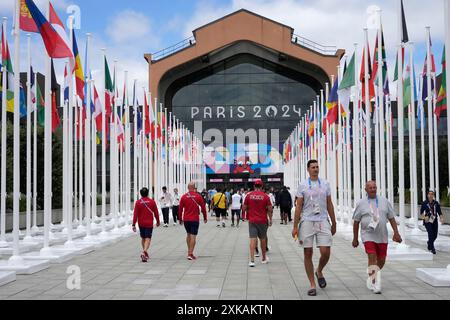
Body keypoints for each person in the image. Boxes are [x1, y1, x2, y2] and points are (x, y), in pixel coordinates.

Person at [292, 160, 337, 297]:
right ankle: (312, 284)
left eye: (317, 167)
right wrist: (295, 226)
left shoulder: (325, 184)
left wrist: (333, 222)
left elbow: (329, 203)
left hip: (322, 220)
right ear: (308, 169)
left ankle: (319, 270)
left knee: (326, 251)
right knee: (308, 252)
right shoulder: (303, 185)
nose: (315, 169)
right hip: (307, 220)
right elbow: (298, 206)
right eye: (313, 167)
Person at [352, 181, 403, 294]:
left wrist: (396, 232)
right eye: (370, 187)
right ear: (365, 189)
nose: (373, 189)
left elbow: (391, 218)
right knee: (372, 257)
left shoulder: (384, 201)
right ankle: (375, 283)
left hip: (382, 235)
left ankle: (372, 274)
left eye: (374, 187)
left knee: (381, 260)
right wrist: (355, 238)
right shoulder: (361, 203)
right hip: (368, 234)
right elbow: (356, 222)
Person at [243, 179, 273, 267]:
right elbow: (270, 209)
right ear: (262, 186)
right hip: (262, 221)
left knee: (252, 239)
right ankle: (263, 258)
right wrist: (270, 219)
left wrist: (246, 213)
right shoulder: (266, 196)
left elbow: (244, 208)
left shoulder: (248, 196)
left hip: (252, 221)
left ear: (254, 186)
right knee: (263, 239)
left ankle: (252, 260)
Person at [178, 182, 208, 260]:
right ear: (194, 187)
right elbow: (203, 208)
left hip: (186, 219)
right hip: (194, 219)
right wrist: (205, 217)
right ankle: (190, 253)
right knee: (193, 236)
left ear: (188, 187)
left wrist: (180, 219)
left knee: (188, 235)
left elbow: (180, 209)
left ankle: (189, 251)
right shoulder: (198, 196)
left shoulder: (184, 197)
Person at [132, 187, 160, 262]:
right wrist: (158, 221)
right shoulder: (152, 202)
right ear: (147, 193)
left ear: (140, 193)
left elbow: (135, 214)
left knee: (143, 238)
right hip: (149, 223)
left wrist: (133, 224)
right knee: (148, 238)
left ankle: (145, 252)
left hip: (141, 223)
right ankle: (144, 252)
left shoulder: (138, 202)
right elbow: (156, 212)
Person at [420, 189, 444, 254]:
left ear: (433, 195)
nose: (430, 195)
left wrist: (441, 218)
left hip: (434, 220)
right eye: (429, 194)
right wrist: (424, 218)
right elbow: (421, 214)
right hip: (428, 221)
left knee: (435, 235)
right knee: (430, 234)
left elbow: (440, 212)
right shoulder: (424, 203)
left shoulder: (436, 203)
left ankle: (429, 243)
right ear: (427, 195)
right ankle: (432, 248)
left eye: (432, 194)